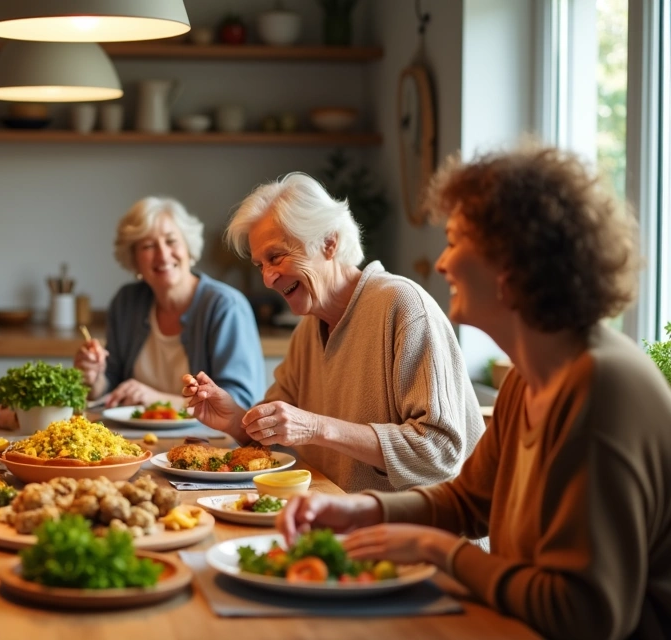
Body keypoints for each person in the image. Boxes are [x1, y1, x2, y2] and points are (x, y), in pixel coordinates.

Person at [279, 145, 671, 639]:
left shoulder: (602, 387)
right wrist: (362, 510)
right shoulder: (530, 377)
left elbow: (584, 614)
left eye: (455, 241)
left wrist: (435, 549)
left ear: (510, 263)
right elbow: (468, 502)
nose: (441, 263)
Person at [183, 173, 484, 492]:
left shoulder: (402, 306)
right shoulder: (308, 328)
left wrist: (315, 427)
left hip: (426, 535)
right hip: (340, 519)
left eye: (276, 256)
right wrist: (234, 420)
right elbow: (277, 433)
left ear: (329, 242)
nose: (268, 279)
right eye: (260, 265)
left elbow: (439, 452)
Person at [74, 196, 265, 409]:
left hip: (208, 440)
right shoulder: (126, 302)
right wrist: (94, 378)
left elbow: (240, 401)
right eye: (147, 246)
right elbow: (112, 387)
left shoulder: (225, 306)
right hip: (134, 439)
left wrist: (157, 401)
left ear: (188, 248)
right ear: (134, 259)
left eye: (171, 241)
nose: (163, 255)